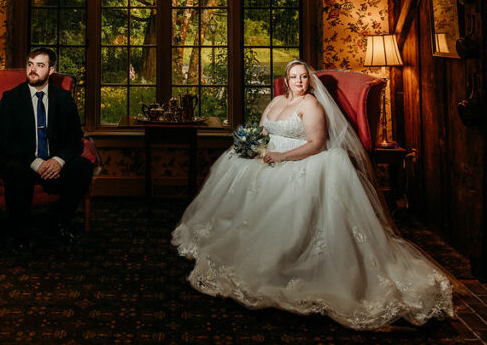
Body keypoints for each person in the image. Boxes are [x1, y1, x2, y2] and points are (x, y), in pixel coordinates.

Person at [173, 60, 454, 329]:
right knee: (235, 171)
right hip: (268, 154)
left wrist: (281, 156)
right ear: (287, 80)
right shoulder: (277, 101)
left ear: (310, 80)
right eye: (294, 77)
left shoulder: (312, 105)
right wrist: (253, 146)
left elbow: (317, 144)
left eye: (304, 77)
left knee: (282, 200)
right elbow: (262, 130)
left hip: (299, 158)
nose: (299, 82)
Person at [0, 47, 93, 252]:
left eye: (40, 65)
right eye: (30, 64)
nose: (33, 70)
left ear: (51, 70)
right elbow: (6, 142)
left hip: (53, 160)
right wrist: (36, 162)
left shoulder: (63, 98)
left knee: (82, 166)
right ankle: (20, 232)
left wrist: (58, 161)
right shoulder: (11, 98)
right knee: (15, 171)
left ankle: (59, 222)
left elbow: (75, 139)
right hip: (24, 161)